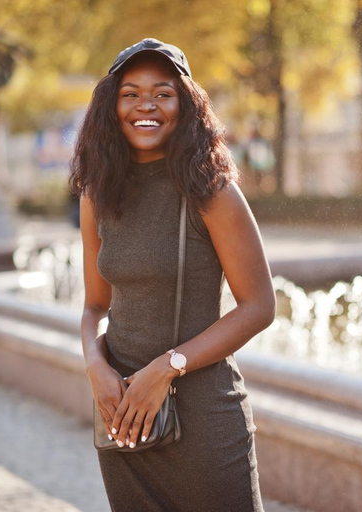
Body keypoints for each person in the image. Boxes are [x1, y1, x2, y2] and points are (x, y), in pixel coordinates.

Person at [68, 38, 275, 511]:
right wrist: (95, 365)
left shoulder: (212, 190)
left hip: (203, 419)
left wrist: (167, 367)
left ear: (185, 105)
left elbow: (260, 306)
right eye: (131, 93)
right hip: (123, 419)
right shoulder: (97, 193)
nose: (147, 105)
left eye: (163, 93)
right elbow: (96, 306)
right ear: (111, 106)